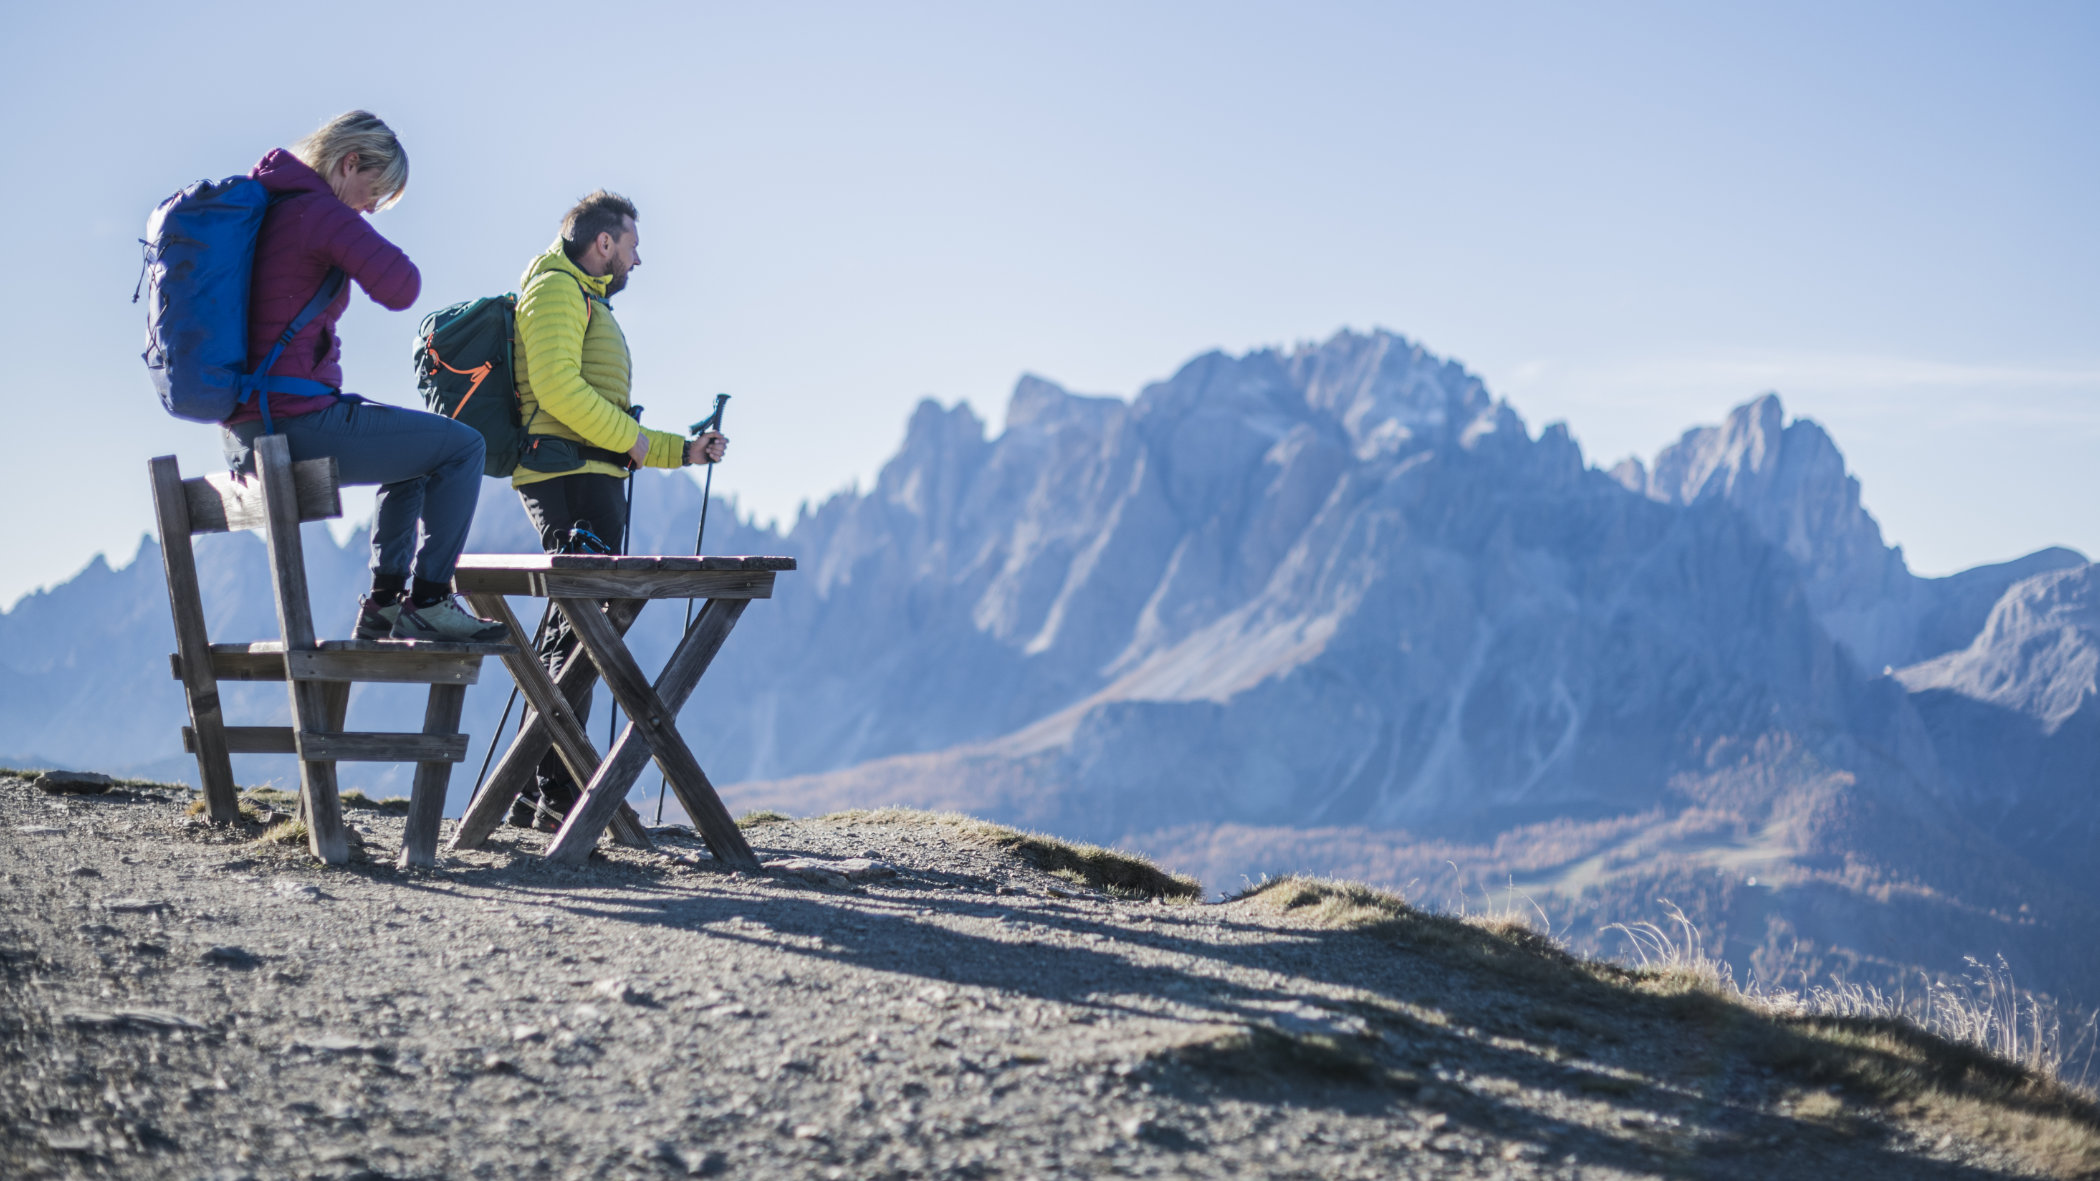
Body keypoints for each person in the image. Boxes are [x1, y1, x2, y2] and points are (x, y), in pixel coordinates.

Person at [222, 110, 505, 643]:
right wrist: (348, 232)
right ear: (349, 163)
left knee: (416, 453)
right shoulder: (317, 214)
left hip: (247, 431)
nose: (373, 208)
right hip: (292, 423)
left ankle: (384, 604)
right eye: (376, 192)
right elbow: (402, 286)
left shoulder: (272, 210)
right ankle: (430, 600)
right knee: (463, 447)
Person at [507, 190, 728, 829]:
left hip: (590, 474)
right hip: (567, 477)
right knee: (581, 626)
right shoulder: (554, 289)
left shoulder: (582, 296)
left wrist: (680, 451)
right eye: (632, 244)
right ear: (603, 244)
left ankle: (537, 789)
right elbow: (557, 390)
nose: (639, 257)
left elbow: (597, 412)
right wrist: (637, 442)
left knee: (572, 628)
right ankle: (558, 790)